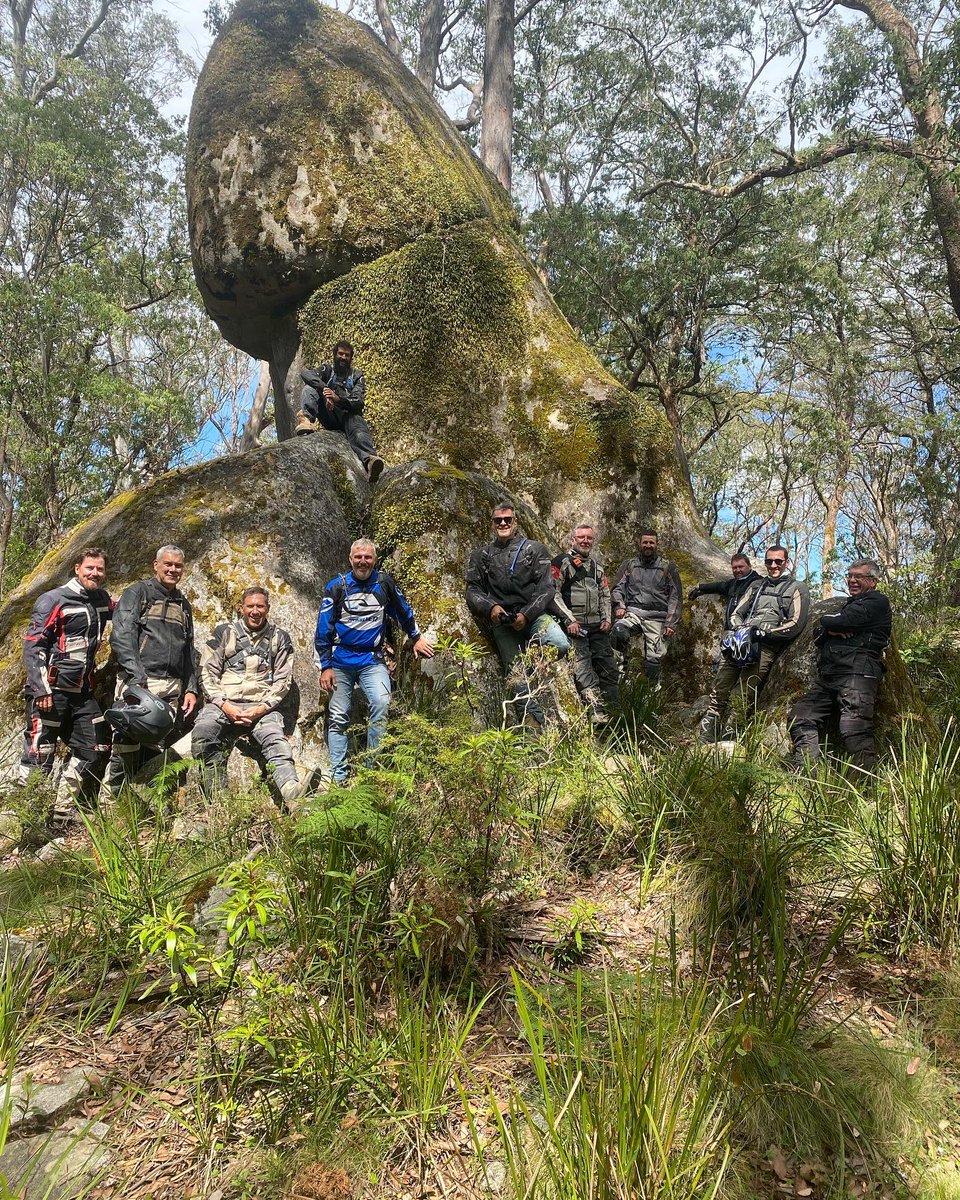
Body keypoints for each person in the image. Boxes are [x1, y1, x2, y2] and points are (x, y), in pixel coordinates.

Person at [316, 539, 434, 784]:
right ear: (350, 559)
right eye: (358, 557)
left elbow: (402, 609)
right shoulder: (337, 587)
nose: (363, 561)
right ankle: (338, 776)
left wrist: (416, 637)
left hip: (372, 659)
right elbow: (323, 628)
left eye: (368, 557)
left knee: (381, 704)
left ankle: (370, 773)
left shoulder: (383, 583)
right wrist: (325, 666)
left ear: (375, 560)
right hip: (340, 660)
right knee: (338, 716)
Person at [20, 547, 114, 827]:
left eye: (99, 569)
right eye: (89, 568)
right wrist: (41, 690)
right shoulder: (53, 600)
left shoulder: (101, 600)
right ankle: (28, 822)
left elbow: (125, 609)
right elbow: (33, 646)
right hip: (50, 693)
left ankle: (61, 812)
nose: (95, 573)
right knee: (40, 753)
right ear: (77, 569)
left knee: (95, 746)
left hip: (82, 694)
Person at [192, 586, 307, 808]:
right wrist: (225, 705)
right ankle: (217, 798)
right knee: (203, 732)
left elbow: (283, 680)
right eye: (250, 606)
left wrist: (261, 708)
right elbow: (207, 672)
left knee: (275, 740)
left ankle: (292, 793)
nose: (255, 611)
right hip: (224, 704)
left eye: (260, 606)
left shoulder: (280, 638)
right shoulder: (223, 633)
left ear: (268, 608)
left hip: (262, 707)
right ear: (241, 608)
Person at [466, 502, 571, 728]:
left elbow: (547, 588)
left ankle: (532, 668)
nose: (503, 523)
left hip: (534, 616)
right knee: (516, 673)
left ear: (516, 522)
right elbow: (472, 590)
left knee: (560, 644)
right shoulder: (482, 555)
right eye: (498, 520)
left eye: (508, 519)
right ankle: (532, 725)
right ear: (492, 524)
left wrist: (526, 614)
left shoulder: (535, 549)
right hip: (502, 622)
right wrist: (491, 608)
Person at [107, 545, 198, 791]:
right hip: (141, 682)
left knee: (155, 747)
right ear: (155, 565)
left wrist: (191, 688)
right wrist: (136, 677)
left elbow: (188, 649)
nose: (173, 569)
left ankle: (139, 803)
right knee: (125, 744)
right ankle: (110, 802)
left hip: (172, 687)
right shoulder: (137, 592)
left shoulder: (183, 604)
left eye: (178, 565)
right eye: (168, 564)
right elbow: (122, 636)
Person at [697, 545, 809, 742]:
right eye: (769, 561)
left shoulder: (798, 588)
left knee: (741, 696)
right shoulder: (756, 585)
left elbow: (795, 624)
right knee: (718, 692)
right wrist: (741, 630)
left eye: (778, 561)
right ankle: (705, 741)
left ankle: (729, 744)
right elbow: (736, 614)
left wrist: (763, 634)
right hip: (739, 643)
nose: (773, 565)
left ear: (787, 562)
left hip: (764, 649)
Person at [788, 558, 891, 772]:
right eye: (849, 576)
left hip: (858, 674)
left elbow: (835, 621)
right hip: (830, 675)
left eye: (858, 576)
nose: (852, 580)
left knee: (855, 729)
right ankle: (807, 774)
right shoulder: (851, 604)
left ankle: (865, 784)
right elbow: (819, 634)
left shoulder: (877, 601)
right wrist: (829, 628)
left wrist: (830, 623)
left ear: (873, 581)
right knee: (801, 716)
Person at [552, 523, 617, 723]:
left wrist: (607, 619)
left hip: (597, 627)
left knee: (609, 668)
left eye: (589, 538)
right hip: (575, 627)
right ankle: (596, 712)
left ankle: (615, 711)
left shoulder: (597, 568)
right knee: (583, 669)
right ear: (573, 539)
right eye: (581, 537)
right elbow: (553, 593)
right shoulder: (561, 562)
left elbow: (605, 595)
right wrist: (569, 620)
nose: (585, 541)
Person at [298, 340, 385, 484]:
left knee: (356, 419)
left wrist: (338, 399)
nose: (343, 357)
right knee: (309, 388)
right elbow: (306, 373)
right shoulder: (327, 370)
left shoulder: (357, 376)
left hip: (347, 418)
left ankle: (370, 460)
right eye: (340, 354)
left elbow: (358, 401)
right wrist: (325, 390)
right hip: (328, 415)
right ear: (335, 354)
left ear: (351, 358)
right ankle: (306, 420)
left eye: (347, 355)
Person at [609, 530, 682, 685]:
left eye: (651, 542)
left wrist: (671, 623)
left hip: (657, 617)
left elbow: (675, 596)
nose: (648, 545)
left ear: (656, 544)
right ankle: (618, 679)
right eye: (645, 542)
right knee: (618, 632)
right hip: (633, 613)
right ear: (640, 544)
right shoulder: (629, 565)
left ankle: (650, 692)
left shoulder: (667, 567)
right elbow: (617, 589)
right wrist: (619, 606)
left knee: (654, 659)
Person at [688, 554, 760, 628]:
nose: (738, 570)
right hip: (731, 629)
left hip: (747, 629)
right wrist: (700, 587)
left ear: (749, 566)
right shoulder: (733, 583)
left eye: (741, 567)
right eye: (734, 568)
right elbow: (718, 586)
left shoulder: (758, 583)